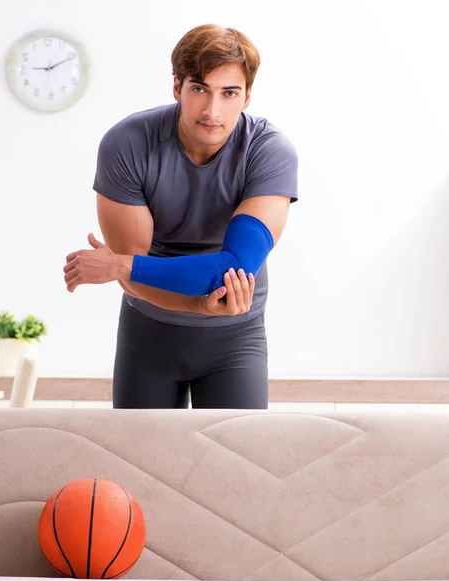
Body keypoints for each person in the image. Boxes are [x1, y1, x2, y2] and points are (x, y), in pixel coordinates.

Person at [63, 24, 299, 409]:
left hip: (235, 338)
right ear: (177, 87)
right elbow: (135, 278)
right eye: (199, 89)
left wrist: (121, 265)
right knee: (139, 464)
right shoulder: (128, 145)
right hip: (149, 331)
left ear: (248, 96)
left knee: (235, 463)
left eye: (229, 93)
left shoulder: (269, 153)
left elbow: (232, 269)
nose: (212, 110)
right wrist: (193, 303)